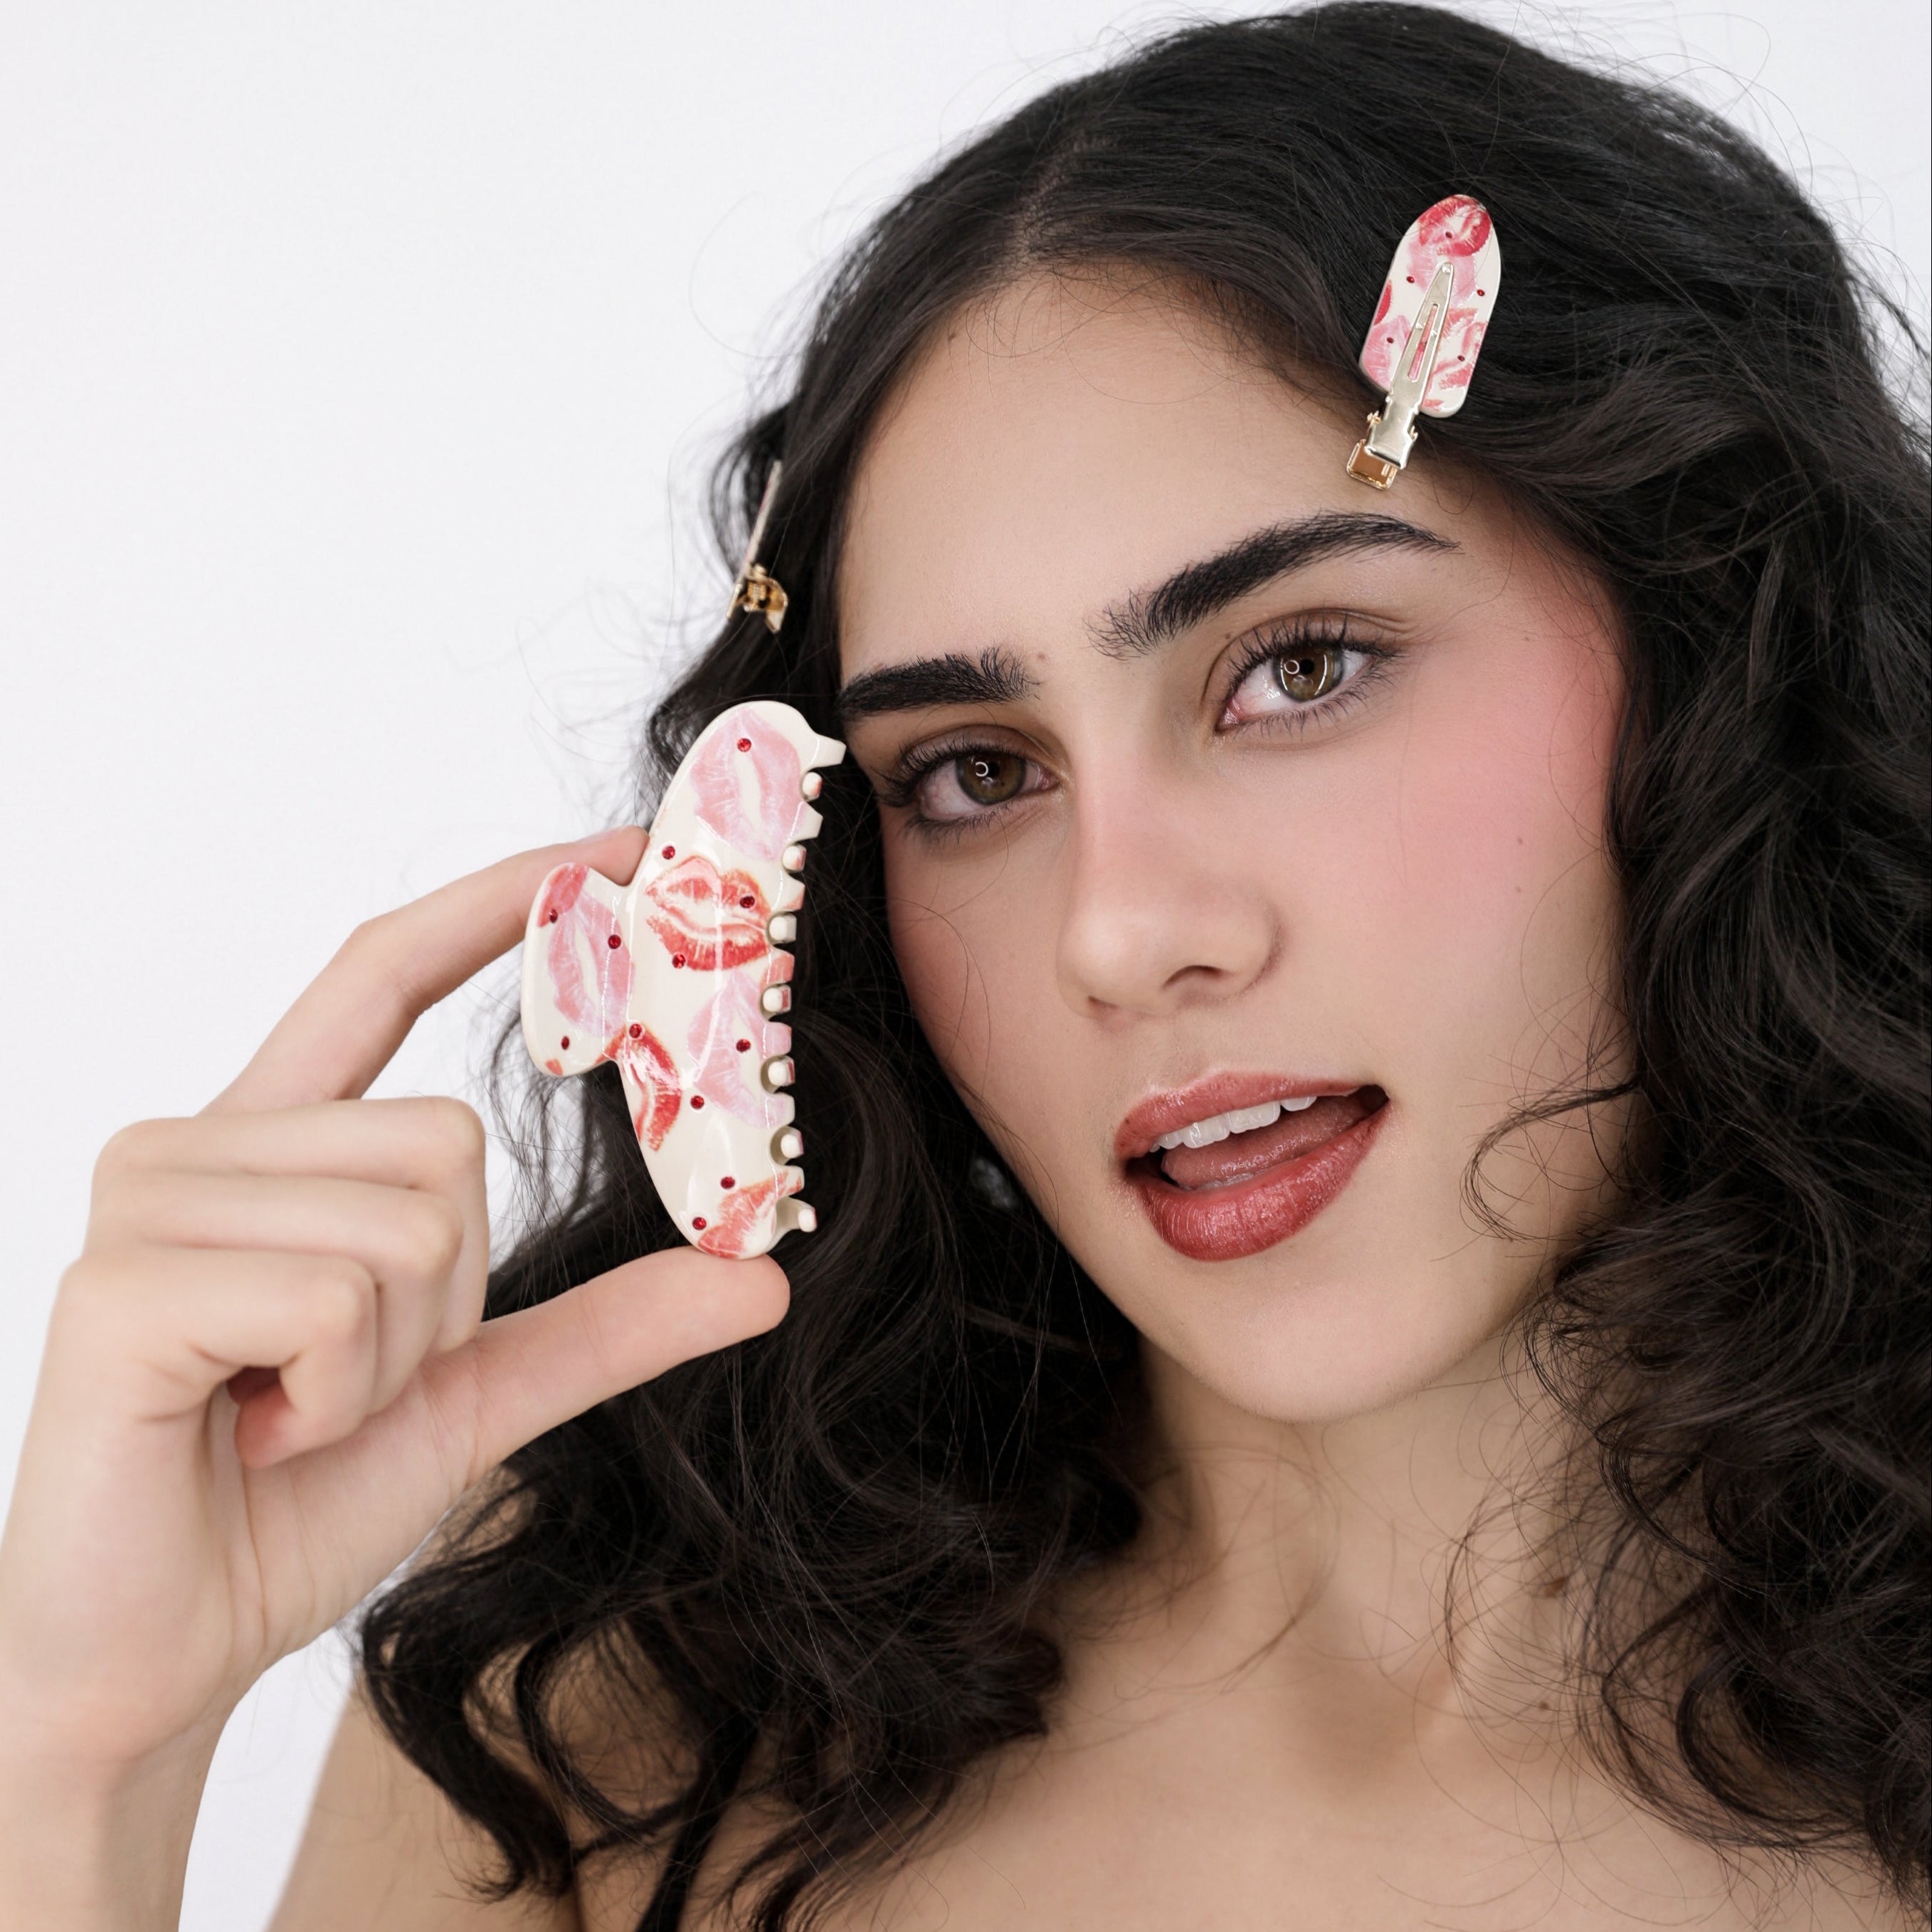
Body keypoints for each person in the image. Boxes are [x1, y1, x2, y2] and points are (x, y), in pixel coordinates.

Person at [2, 6, 1924, 1928]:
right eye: (977, 774)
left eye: (1301, 665)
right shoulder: (608, 1707)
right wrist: (89, 1756)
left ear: (1716, 655)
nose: (1117, 927)